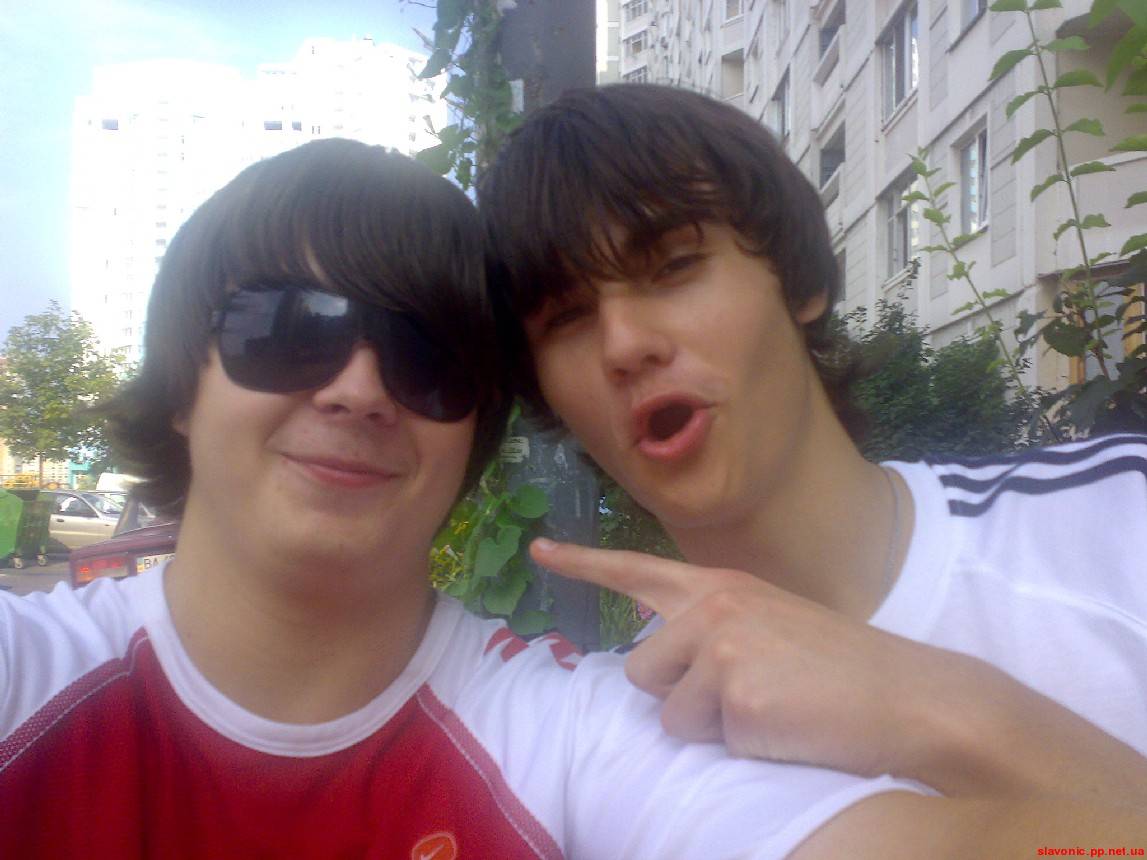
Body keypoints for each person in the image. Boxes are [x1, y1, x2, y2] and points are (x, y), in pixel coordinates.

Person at [0, 140, 1139, 860]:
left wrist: (922, 697)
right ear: (180, 382)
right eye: (288, 329)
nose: (357, 390)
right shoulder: (29, 675)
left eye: (429, 355)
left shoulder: (593, 736)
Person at [478, 83, 1147, 810]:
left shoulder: (1117, 524)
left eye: (672, 267)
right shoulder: (616, 744)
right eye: (566, 318)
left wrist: (915, 701)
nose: (624, 345)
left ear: (796, 281)